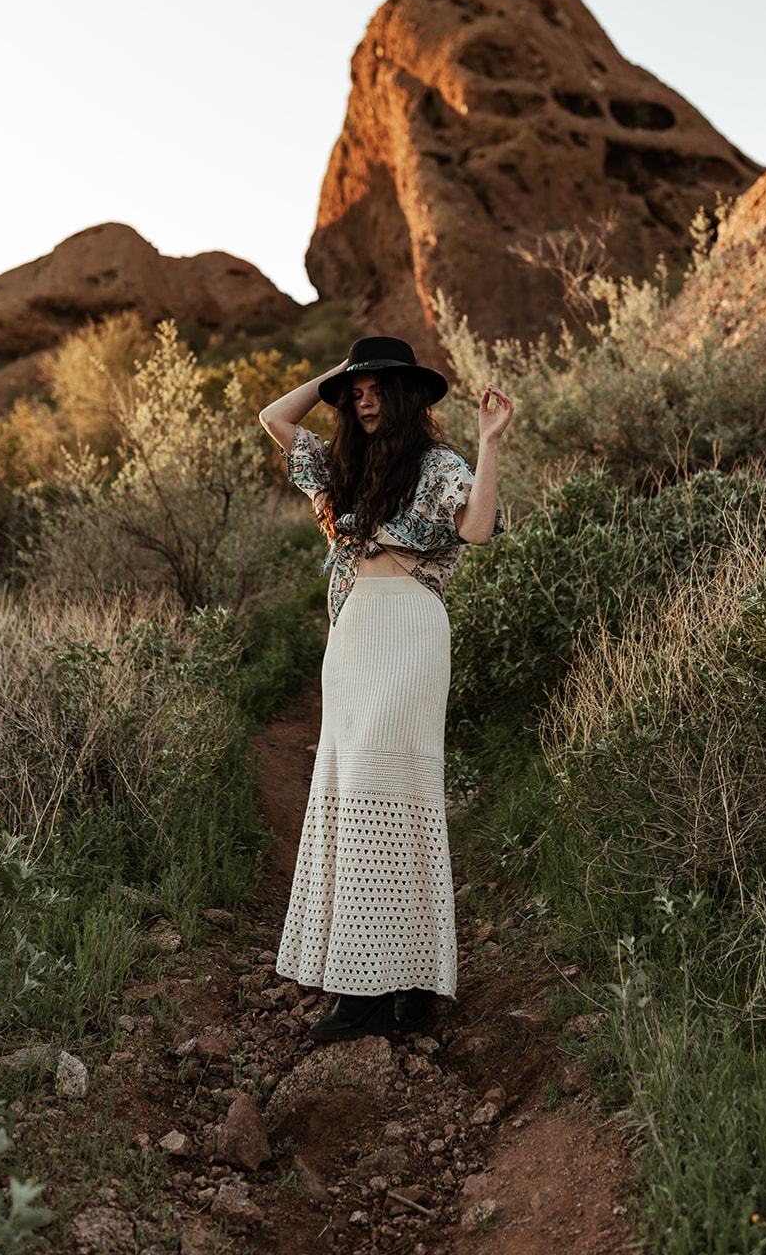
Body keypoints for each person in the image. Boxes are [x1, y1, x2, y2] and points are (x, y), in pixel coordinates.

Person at [257, 335, 513, 1043]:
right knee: (353, 790)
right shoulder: (341, 468)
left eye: (376, 390)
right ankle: (402, 983)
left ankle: (365, 992)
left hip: (410, 629)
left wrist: (491, 442)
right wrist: (335, 374)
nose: (364, 401)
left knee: (391, 791)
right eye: (355, 393)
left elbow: (480, 531)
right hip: (352, 635)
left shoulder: (438, 466)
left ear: (403, 398)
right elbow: (274, 419)